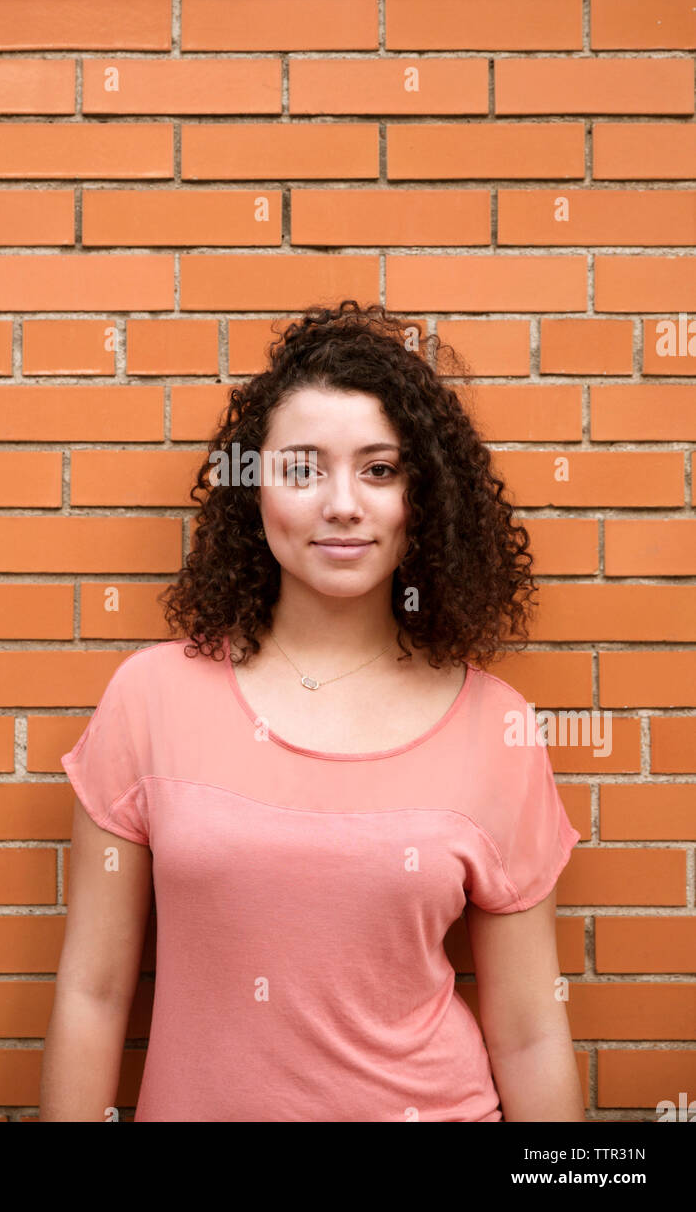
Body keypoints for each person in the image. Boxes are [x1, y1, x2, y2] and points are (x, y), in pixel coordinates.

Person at [39, 300, 584, 1123]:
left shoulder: (495, 726)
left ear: (422, 498)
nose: (341, 504)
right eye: (301, 468)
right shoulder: (149, 699)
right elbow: (94, 990)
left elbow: (529, 1032)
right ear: (253, 492)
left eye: (379, 469)